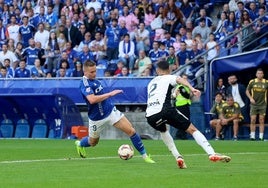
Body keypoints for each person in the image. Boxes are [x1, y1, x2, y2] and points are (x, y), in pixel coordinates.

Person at [145, 60, 231, 169]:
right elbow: (180, 79)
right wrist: (192, 89)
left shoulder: (151, 82)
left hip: (150, 115)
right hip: (165, 110)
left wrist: (173, 95)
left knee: (163, 130)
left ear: (157, 70)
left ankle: (178, 157)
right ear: (169, 70)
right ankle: (211, 153)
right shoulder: (169, 77)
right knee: (193, 130)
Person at [75, 60, 155, 164]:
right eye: (91, 72)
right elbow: (92, 99)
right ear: (84, 72)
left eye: (95, 71)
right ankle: (80, 144)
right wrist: (111, 94)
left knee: (131, 131)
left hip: (110, 111)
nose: (94, 74)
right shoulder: (84, 84)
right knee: (93, 142)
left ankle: (145, 157)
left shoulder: (94, 80)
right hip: (96, 118)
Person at [246, 68, 268, 141]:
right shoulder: (252, 82)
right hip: (254, 104)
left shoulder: (266, 82)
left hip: (263, 104)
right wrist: (250, 98)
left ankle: (261, 137)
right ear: (256, 74)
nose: (260, 75)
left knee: (261, 120)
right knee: (253, 119)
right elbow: (247, 91)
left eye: (261, 73)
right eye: (258, 73)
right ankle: (252, 136)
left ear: (263, 74)